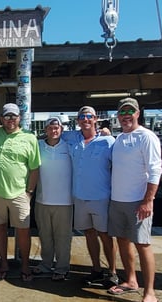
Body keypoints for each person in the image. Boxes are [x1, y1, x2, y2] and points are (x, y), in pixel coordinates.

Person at [107, 97, 162, 302]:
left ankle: (150, 292)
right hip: (117, 200)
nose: (126, 115)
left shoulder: (147, 137)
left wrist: (148, 200)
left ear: (138, 113)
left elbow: (155, 170)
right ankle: (131, 280)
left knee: (143, 244)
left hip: (138, 201)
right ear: (118, 116)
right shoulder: (119, 138)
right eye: (122, 112)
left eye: (130, 111)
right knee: (122, 240)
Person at [63, 105, 118, 287]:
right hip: (79, 197)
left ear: (95, 119)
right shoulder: (72, 138)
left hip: (101, 197)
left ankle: (112, 272)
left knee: (105, 234)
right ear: (77, 121)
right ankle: (96, 269)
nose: (85, 120)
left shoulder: (108, 141)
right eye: (82, 117)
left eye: (89, 116)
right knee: (89, 233)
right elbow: (53, 133)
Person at [0, 103, 40, 281]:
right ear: (1, 118)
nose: (10, 119)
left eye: (14, 116)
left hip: (19, 194)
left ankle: (25, 265)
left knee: (23, 230)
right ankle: (3, 264)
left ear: (19, 118)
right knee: (0, 229)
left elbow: (34, 168)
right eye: (7, 116)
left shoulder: (29, 138)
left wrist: (29, 192)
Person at [34, 117, 73, 281]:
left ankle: (62, 267)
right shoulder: (38, 146)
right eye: (50, 128)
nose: (53, 131)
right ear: (45, 130)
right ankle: (46, 264)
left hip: (65, 202)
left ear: (61, 130)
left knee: (63, 237)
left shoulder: (70, 146)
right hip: (42, 200)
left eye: (56, 128)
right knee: (45, 236)